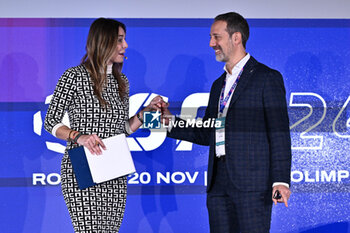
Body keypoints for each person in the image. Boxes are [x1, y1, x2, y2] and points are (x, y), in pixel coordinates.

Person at [161, 12, 292, 232]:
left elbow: (279, 133)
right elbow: (206, 133)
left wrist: (281, 180)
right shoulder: (217, 85)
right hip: (217, 184)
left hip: (253, 186)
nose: (211, 43)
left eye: (216, 37)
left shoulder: (266, 77)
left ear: (236, 38)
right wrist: (168, 121)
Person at [44, 18, 162, 232]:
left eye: (124, 40)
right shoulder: (74, 76)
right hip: (81, 165)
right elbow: (51, 121)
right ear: (103, 41)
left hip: (115, 166)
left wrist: (146, 113)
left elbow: (122, 129)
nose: (125, 45)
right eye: (119, 40)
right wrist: (79, 136)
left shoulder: (122, 81)